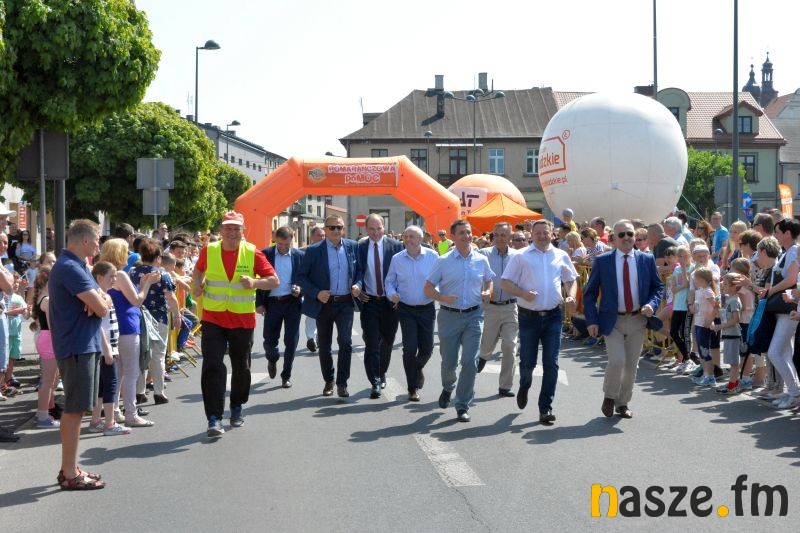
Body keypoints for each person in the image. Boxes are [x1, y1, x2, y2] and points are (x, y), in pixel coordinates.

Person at [192, 211, 279, 437]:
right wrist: (196, 285)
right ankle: (214, 418)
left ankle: (237, 405)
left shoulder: (252, 252)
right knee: (212, 365)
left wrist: (254, 282)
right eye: (228, 228)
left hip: (242, 319)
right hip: (213, 317)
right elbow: (198, 269)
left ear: (243, 231)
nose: (232, 232)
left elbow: (274, 281)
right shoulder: (209, 250)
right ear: (221, 230)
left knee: (241, 367)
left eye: (236, 228)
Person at [583, 219, 663, 419]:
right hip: (613, 320)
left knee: (631, 365)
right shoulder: (603, 261)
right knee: (617, 360)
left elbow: (657, 287)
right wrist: (592, 320)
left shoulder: (646, 259)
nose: (626, 238)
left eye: (630, 234)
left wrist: (651, 305)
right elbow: (590, 293)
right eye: (622, 235)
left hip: (638, 318)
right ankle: (610, 396)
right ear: (614, 239)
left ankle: (623, 403)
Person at [49, 219, 108, 490]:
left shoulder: (78, 265)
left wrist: (99, 298)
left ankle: (69, 468)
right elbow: (103, 308)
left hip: (84, 345)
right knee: (74, 410)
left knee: (78, 409)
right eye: (96, 239)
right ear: (85, 240)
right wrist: (98, 300)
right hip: (76, 346)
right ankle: (70, 474)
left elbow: (102, 301)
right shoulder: (70, 267)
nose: (98, 245)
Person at [501, 220, 577, 425]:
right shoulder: (521, 256)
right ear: (531, 235)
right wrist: (523, 293)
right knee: (528, 362)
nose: (543, 236)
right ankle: (524, 385)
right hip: (529, 317)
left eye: (546, 232)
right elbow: (505, 283)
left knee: (551, 362)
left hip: (553, 316)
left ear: (552, 234)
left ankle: (545, 408)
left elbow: (570, 279)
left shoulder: (560, 255)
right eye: (538, 233)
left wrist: (571, 295)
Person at [424, 220, 494, 422]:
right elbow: (428, 288)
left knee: (470, 362)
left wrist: (488, 291)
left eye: (469, 232)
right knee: (449, 362)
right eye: (462, 233)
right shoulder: (443, 261)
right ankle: (448, 387)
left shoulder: (481, 259)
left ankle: (462, 404)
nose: (467, 236)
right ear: (453, 237)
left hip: (474, 315)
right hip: (449, 316)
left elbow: (489, 280)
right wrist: (442, 297)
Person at [297, 215, 361, 398]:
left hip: (345, 302)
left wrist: (358, 284)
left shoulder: (352, 246)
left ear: (343, 229)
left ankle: (342, 383)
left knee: (346, 342)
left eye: (339, 227)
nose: (336, 231)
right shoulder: (314, 250)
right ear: (324, 229)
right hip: (324, 304)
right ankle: (329, 380)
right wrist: (316, 292)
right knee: (324, 345)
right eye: (332, 227)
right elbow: (301, 276)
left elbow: (359, 271)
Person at [101, 238, 158, 428]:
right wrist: (147, 284)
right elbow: (137, 301)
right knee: (131, 372)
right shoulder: (120, 275)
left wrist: (141, 284)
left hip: (116, 326)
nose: (129, 254)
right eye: (126, 251)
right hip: (127, 326)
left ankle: (116, 411)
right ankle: (131, 414)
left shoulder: (106, 273)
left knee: (119, 373)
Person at [385, 225, 438, 401]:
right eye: (405, 236)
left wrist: (436, 291)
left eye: (412, 237)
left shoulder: (433, 256)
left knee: (427, 348)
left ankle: (417, 367)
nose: (408, 240)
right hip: (406, 308)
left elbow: (440, 279)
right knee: (409, 347)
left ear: (421, 239)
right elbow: (389, 281)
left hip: (427, 308)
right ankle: (412, 387)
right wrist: (392, 294)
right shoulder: (397, 259)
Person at [357, 214, 402, 398]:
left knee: (388, 340)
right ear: (366, 229)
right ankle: (375, 381)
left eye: (379, 228)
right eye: (371, 229)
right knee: (371, 343)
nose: (375, 233)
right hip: (369, 301)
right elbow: (357, 271)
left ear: (384, 227)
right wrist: (358, 288)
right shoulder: (360, 247)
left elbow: (402, 273)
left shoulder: (396, 246)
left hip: (390, 302)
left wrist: (398, 295)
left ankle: (382, 371)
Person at [131, 239, 180, 406]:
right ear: (158, 257)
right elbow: (171, 297)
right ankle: (159, 392)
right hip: (158, 317)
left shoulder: (133, 272)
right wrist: (177, 315)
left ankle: (139, 392)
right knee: (158, 355)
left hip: (138, 316)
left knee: (141, 354)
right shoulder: (162, 274)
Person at [255, 226, 304, 388]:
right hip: (272, 303)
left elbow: (305, 278)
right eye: (280, 244)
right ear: (275, 239)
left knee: (291, 340)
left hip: (292, 302)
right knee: (269, 341)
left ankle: (286, 375)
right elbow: (257, 278)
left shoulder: (299, 256)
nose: (283, 248)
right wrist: (259, 303)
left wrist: (300, 289)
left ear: (292, 240)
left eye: (287, 244)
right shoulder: (265, 254)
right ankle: (272, 358)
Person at [476, 222, 521, 398]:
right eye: (496, 235)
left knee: (510, 346)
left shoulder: (517, 256)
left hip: (511, 307)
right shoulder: (483, 254)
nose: (500, 238)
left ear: (510, 237)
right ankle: (483, 356)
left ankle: (505, 386)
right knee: (487, 345)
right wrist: (483, 291)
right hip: (490, 307)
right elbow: (475, 277)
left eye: (503, 235)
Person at [86, 261, 131, 436]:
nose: (114, 279)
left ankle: (96, 421)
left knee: (102, 385)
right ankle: (110, 423)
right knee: (110, 384)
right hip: (105, 349)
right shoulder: (99, 296)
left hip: (107, 348)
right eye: (110, 276)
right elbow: (98, 326)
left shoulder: (103, 295)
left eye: (115, 276)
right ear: (99, 277)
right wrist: (108, 350)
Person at [303, 226, 325, 353]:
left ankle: (319, 339)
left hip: (327, 291)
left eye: (323, 235)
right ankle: (311, 338)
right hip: (312, 289)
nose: (322, 237)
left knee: (325, 317)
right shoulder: (305, 251)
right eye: (319, 235)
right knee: (312, 315)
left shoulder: (329, 250)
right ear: (312, 237)